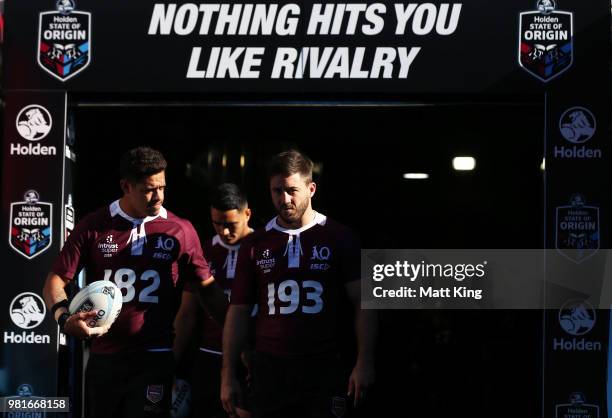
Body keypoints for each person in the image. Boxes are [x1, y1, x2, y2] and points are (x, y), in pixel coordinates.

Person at [42, 146, 228, 418]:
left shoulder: (181, 229)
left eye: (162, 187)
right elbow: (55, 280)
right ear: (126, 186)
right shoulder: (95, 225)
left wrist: (243, 343)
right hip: (105, 357)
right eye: (149, 189)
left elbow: (208, 291)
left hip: (155, 356)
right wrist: (63, 318)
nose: (158, 197)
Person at [221, 150, 376, 418]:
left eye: (292, 190)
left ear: (311, 188)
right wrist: (227, 373)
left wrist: (365, 361)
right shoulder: (255, 243)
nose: (284, 199)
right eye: (276, 191)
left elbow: (365, 301)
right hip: (269, 369)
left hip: (324, 366)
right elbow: (238, 311)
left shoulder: (339, 236)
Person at [174, 183, 254, 418]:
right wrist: (171, 364)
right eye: (217, 224)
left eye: (230, 225)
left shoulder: (264, 247)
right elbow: (186, 314)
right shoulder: (203, 252)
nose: (224, 232)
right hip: (210, 356)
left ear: (247, 214)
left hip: (251, 357)